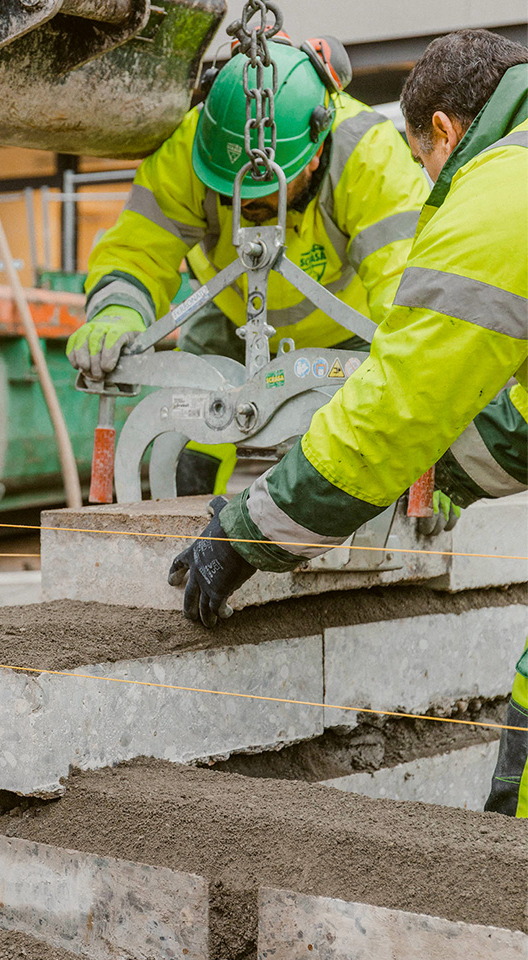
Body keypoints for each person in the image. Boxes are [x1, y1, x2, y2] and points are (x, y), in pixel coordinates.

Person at [168, 29, 528, 817]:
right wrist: (448, 476)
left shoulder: (499, 195)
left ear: (442, 130)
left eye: (424, 165)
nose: (428, 186)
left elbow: (398, 408)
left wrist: (247, 534)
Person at [67, 34, 429, 495]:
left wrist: (429, 451)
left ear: (316, 151)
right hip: (229, 318)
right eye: (232, 191)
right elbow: (138, 249)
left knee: (346, 465)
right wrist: (117, 310)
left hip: (351, 335)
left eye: (266, 193)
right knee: (187, 451)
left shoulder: (369, 156)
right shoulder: (193, 146)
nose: (248, 205)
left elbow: (411, 293)